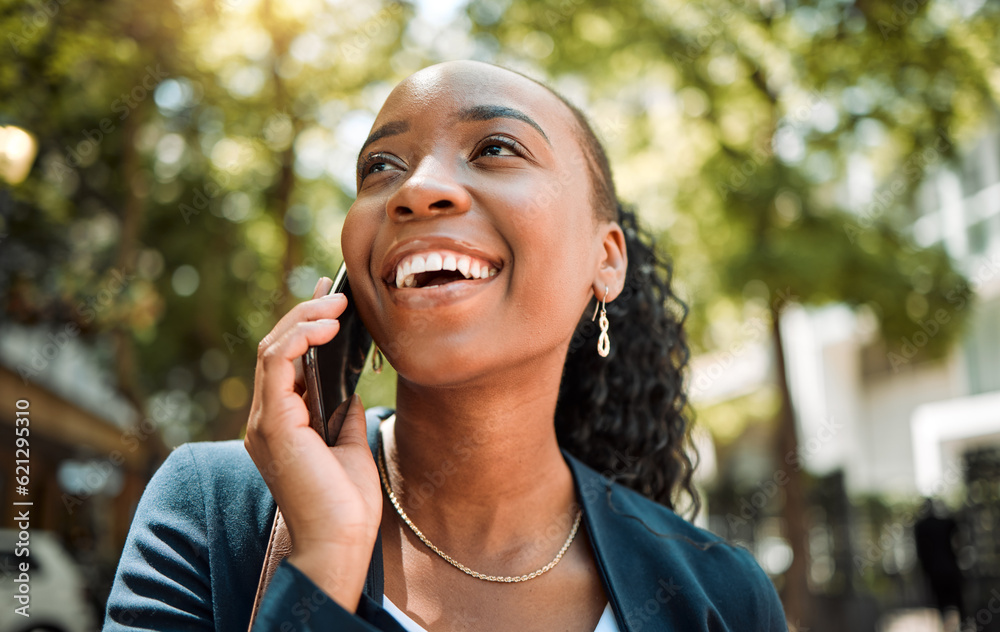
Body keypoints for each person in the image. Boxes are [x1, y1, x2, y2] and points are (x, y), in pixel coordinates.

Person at [104, 60, 786, 631]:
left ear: (606, 259)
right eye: (381, 167)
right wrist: (325, 560)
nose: (417, 188)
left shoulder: (722, 596)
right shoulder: (210, 510)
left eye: (495, 148)